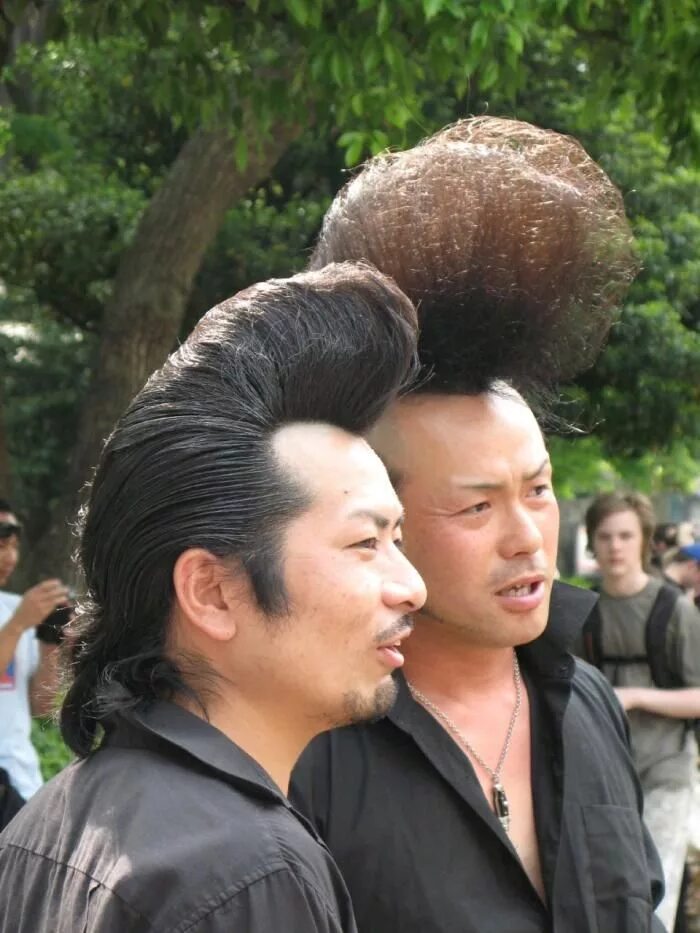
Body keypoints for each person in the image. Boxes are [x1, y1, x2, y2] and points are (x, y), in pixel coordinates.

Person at [291, 117, 665, 932]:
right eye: (476, 505)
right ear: (383, 526)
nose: (528, 535)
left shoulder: (584, 700)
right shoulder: (309, 743)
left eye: (538, 489)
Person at [0, 263, 427, 933]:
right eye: (365, 543)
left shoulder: (42, 824)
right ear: (213, 591)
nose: (412, 585)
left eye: (399, 538)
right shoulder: (250, 871)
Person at [583, 491, 700, 931]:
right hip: (605, 775)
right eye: (606, 536)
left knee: (658, 896)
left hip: (667, 769)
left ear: (645, 541)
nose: (615, 546)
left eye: (626, 536)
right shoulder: (584, 612)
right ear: (592, 542)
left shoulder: (675, 609)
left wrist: (634, 696)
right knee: (615, 893)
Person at [0, 498, 69, 826]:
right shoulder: (19, 615)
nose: (9, 556)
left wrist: (50, 639)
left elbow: (41, 704)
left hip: (22, 783)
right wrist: (17, 626)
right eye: (0, 544)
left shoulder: (16, 607)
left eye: (13, 545)